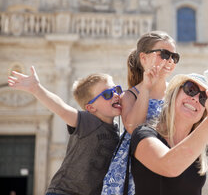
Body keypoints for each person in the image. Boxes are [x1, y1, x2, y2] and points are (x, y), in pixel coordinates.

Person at [8, 67, 122, 195]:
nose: (116, 95)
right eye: (108, 94)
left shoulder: (117, 130)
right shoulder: (88, 122)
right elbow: (61, 109)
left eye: (116, 90)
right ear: (91, 107)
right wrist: (37, 89)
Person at [101, 31, 179, 194]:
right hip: (136, 168)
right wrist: (146, 88)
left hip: (167, 161)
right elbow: (134, 127)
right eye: (164, 54)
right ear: (143, 58)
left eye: (174, 56)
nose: (170, 60)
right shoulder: (130, 95)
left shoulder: (177, 94)